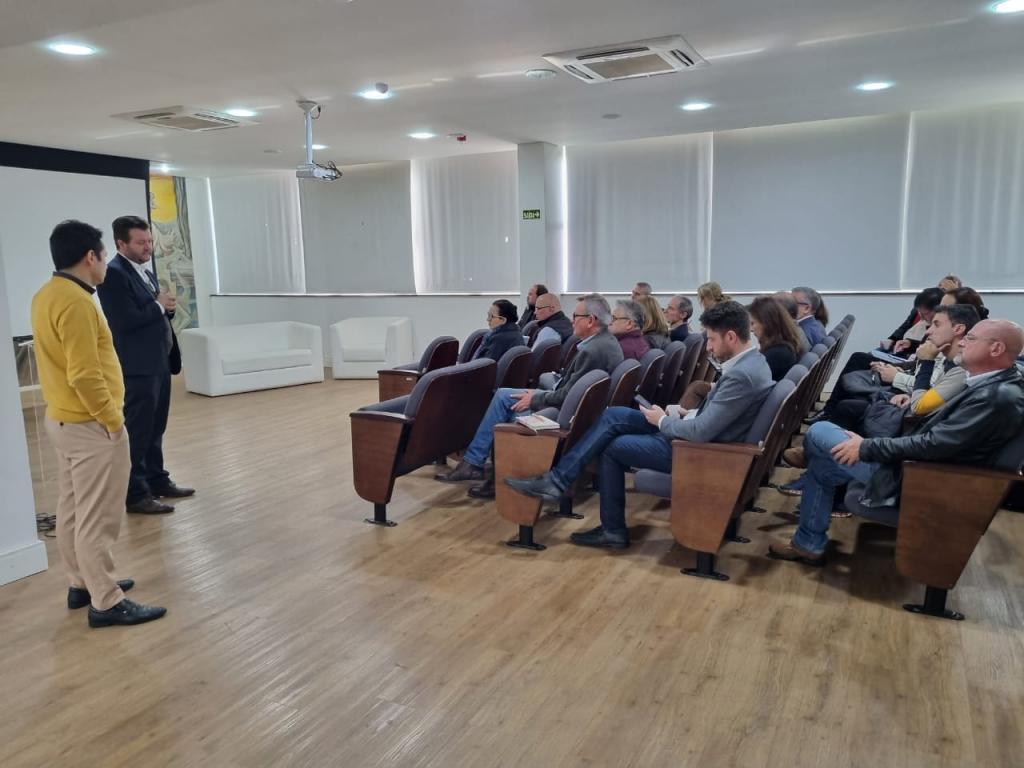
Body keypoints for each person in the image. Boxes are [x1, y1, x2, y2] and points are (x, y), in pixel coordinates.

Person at [505, 301, 775, 549]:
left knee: (612, 448)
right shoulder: (755, 362)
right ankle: (558, 481)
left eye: (712, 340)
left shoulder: (742, 375)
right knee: (614, 415)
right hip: (695, 437)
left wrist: (664, 421)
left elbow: (701, 432)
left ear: (731, 337)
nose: (708, 348)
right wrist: (683, 413)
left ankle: (609, 527)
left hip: (697, 453)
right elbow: (718, 416)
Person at [769, 319, 1024, 566]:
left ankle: (810, 457)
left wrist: (867, 447)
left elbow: (934, 444)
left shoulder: (996, 397)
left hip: (919, 480)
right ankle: (808, 544)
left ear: (996, 348)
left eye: (970, 338)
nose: (963, 343)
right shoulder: (994, 385)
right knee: (823, 466)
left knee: (820, 431)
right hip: (920, 469)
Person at [31, 220, 167, 627]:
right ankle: (106, 600)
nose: (106, 263)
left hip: (63, 420)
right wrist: (112, 420)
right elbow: (85, 374)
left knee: (73, 508)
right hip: (89, 425)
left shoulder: (47, 294)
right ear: (90, 257)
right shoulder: (76, 302)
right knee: (98, 517)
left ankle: (82, 583)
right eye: (105, 255)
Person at [436, 294, 623, 496]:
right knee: (503, 395)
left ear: (591, 320)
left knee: (509, 409)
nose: (571, 320)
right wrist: (537, 393)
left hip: (562, 414)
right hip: (571, 406)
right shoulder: (607, 342)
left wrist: (535, 398)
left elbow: (568, 397)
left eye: (576, 316)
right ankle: (474, 462)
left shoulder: (592, 351)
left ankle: (484, 470)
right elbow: (571, 391)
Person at [786, 304, 980, 465]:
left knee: (842, 414)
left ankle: (819, 456)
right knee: (852, 401)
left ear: (958, 329)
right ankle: (819, 457)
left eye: (936, 324)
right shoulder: (946, 357)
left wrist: (924, 362)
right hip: (913, 414)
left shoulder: (960, 368)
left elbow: (920, 406)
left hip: (914, 432)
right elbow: (929, 390)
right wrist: (910, 390)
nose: (928, 330)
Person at [96, 215, 193, 515]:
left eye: (149, 241)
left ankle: (156, 480)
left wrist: (167, 309)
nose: (148, 247)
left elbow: (153, 313)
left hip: (158, 362)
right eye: (141, 242)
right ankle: (135, 494)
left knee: (156, 427)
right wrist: (157, 305)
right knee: (138, 431)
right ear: (120, 243)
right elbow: (124, 321)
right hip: (137, 367)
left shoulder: (145, 271)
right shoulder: (113, 274)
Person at [748, 296, 801, 381]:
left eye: (753, 323)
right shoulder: (783, 348)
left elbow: (748, 380)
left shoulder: (777, 354)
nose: (751, 329)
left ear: (766, 323)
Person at [879, 287, 945, 355]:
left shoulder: (945, 328)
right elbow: (904, 328)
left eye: (925, 313)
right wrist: (909, 343)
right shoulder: (922, 314)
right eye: (919, 313)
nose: (922, 318)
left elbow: (932, 351)